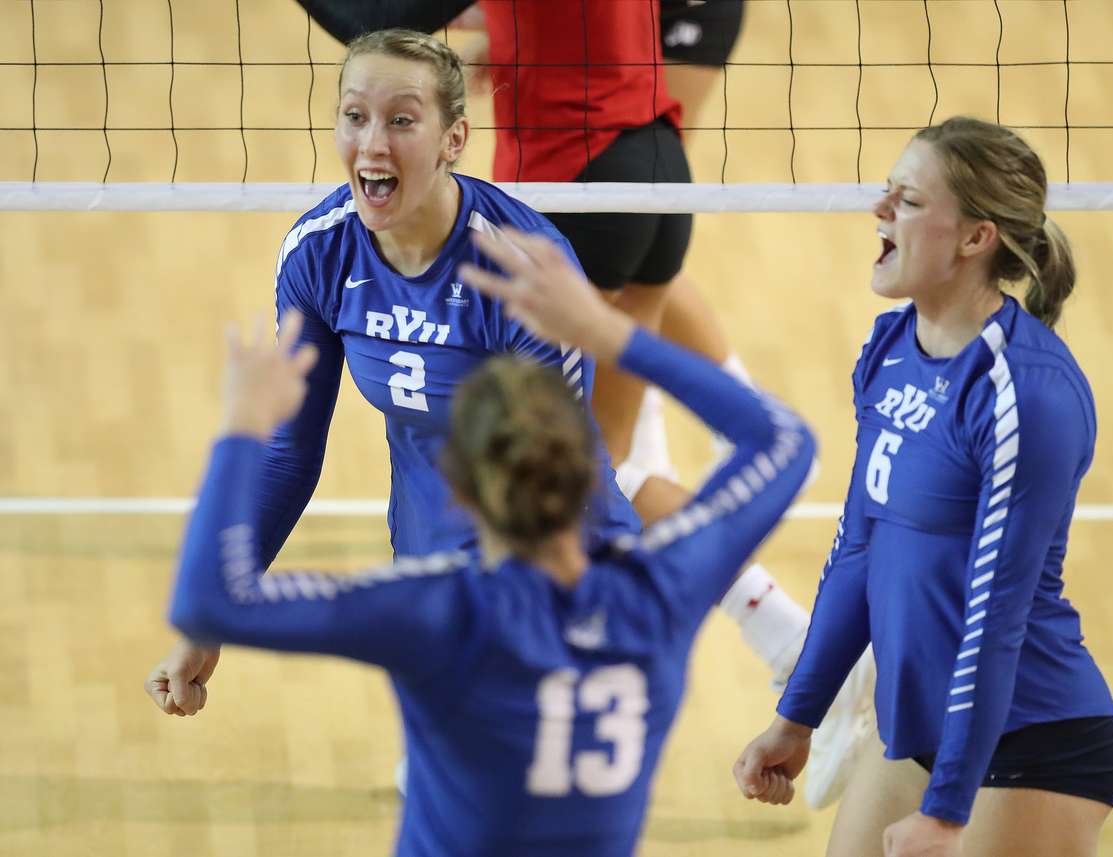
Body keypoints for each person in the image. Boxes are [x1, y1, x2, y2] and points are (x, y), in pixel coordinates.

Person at [163, 226, 816, 857]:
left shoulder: (439, 612)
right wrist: (607, 332)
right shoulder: (662, 591)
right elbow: (786, 440)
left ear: (462, 495)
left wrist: (243, 425)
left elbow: (208, 602)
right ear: (593, 469)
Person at [292, 0, 832, 759]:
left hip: (571, 180)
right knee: (610, 465)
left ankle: (804, 654)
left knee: (587, 470)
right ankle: (800, 646)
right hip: (651, 161)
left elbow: (386, 15)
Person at [144, 29, 638, 716]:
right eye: (355, 116)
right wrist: (210, 621)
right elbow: (289, 452)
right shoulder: (319, 255)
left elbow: (562, 469)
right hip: (425, 547)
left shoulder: (519, 272)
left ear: (453, 139)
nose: (373, 143)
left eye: (402, 120)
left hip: (551, 550)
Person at [733, 117, 1113, 857]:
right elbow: (859, 550)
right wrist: (797, 717)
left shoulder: (1022, 394)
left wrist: (946, 813)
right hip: (919, 729)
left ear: (976, 238)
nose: (879, 210)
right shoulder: (888, 349)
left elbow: (996, 613)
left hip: (1030, 738)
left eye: (907, 200)